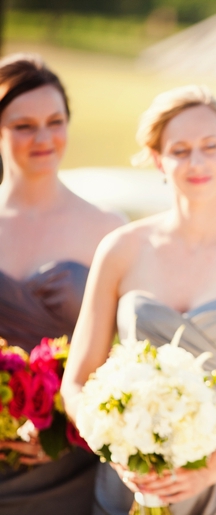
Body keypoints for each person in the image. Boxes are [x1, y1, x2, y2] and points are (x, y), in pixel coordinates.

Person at [60, 85, 216, 514]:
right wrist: (117, 449)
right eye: (180, 150)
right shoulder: (121, 248)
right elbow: (76, 383)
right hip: (132, 483)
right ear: (158, 160)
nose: (197, 162)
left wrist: (208, 470)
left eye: (210, 146)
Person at [0, 53, 124, 515]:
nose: (44, 137)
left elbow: (123, 352)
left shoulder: (107, 228)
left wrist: (69, 426)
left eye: (55, 121)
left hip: (75, 455)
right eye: (23, 125)